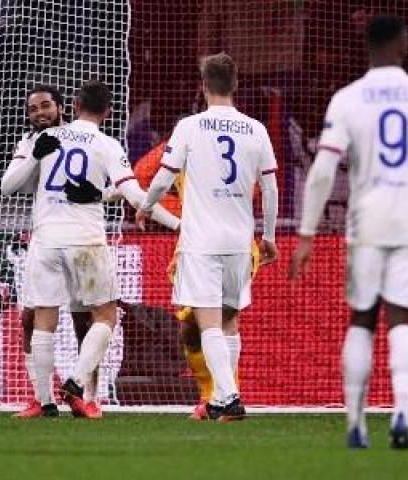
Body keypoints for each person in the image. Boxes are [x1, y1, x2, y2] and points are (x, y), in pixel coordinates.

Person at [289, 15, 408, 449]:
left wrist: (306, 234)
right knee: (404, 319)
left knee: (362, 320)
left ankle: (357, 423)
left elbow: (323, 170)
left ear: (365, 47)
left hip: (368, 220)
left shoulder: (347, 99)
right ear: (403, 45)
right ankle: (401, 413)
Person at [2, 80, 180, 418]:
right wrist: (177, 225)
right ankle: (75, 383)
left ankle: (47, 401)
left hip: (46, 240)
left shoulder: (44, 138)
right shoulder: (106, 144)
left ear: (70, 104)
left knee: (43, 320)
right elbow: (134, 194)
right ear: (109, 112)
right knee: (106, 316)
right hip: (85, 240)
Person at [137, 53, 279, 422]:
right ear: (236, 85)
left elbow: (162, 178)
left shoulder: (190, 126)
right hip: (241, 241)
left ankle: (228, 397)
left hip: (201, 241)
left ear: (203, 87)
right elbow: (271, 186)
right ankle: (221, 397)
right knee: (228, 322)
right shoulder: (256, 129)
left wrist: (146, 205)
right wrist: (269, 235)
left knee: (208, 324)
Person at [3, 84, 119, 417]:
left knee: (86, 321)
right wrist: (36, 155)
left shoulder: (77, 138)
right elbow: (10, 185)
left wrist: (100, 196)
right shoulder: (31, 143)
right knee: (31, 318)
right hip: (48, 240)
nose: (39, 113)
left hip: (80, 239)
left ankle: (87, 396)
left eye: (45, 106)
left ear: (62, 107)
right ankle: (44, 401)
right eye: (33, 108)